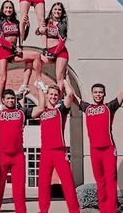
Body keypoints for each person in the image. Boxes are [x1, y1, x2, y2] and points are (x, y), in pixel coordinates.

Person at [73, 77, 123, 213]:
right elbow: (73, 96)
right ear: (92, 94)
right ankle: (103, 210)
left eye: (100, 92)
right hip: (94, 151)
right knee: (100, 183)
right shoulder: (87, 108)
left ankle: (111, 210)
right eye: (95, 92)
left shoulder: (110, 107)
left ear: (104, 94)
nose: (98, 94)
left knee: (111, 181)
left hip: (108, 149)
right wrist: (64, 77)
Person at [0, 86, 46, 213]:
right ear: (3, 100)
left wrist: (40, 89)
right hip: (1, 157)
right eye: (8, 98)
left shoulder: (22, 113)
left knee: (19, 191)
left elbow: (40, 108)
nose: (11, 100)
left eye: (13, 98)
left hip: (18, 157)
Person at [38, 81, 80, 213]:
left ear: (59, 96)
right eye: (51, 94)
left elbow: (71, 95)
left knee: (68, 183)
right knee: (43, 185)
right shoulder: (41, 111)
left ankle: (74, 210)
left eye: (56, 95)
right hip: (45, 152)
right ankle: (43, 210)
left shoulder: (61, 110)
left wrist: (65, 80)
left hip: (59, 152)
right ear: (47, 95)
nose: (53, 97)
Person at [0, 0, 47, 102]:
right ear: (2, 9)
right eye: (6, 8)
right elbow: (1, 40)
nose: (8, 10)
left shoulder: (16, 22)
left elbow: (23, 37)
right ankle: (1, 102)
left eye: (10, 8)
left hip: (14, 51)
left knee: (35, 55)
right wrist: (14, 48)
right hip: (3, 51)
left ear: (13, 10)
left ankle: (31, 83)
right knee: (3, 78)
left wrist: (27, 26)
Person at [39, 2, 68, 93]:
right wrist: (40, 29)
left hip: (60, 52)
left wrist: (54, 53)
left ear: (62, 12)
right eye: (55, 9)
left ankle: (59, 99)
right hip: (48, 51)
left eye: (59, 10)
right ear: (51, 10)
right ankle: (38, 81)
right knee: (35, 60)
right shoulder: (46, 21)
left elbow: (62, 40)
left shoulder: (62, 24)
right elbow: (38, 32)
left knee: (59, 76)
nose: (57, 11)